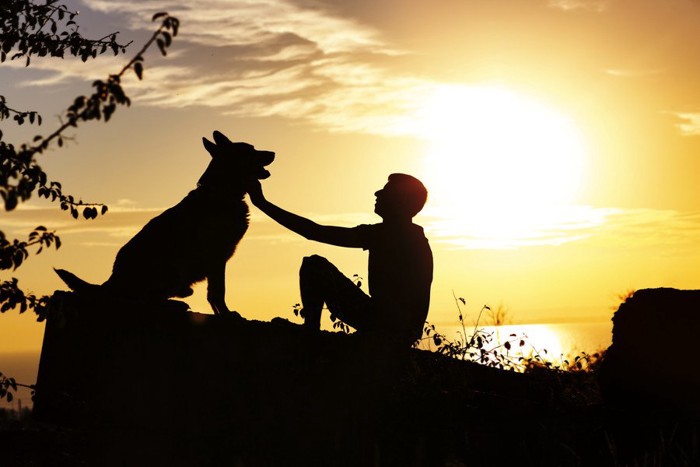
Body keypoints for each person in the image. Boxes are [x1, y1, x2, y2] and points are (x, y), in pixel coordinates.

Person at [247, 173, 433, 348]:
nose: (378, 193)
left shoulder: (389, 234)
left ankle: (310, 333)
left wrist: (261, 203)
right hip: (396, 330)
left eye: (386, 191)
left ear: (400, 202)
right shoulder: (405, 236)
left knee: (314, 266)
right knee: (316, 265)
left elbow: (313, 232)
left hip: (387, 329)